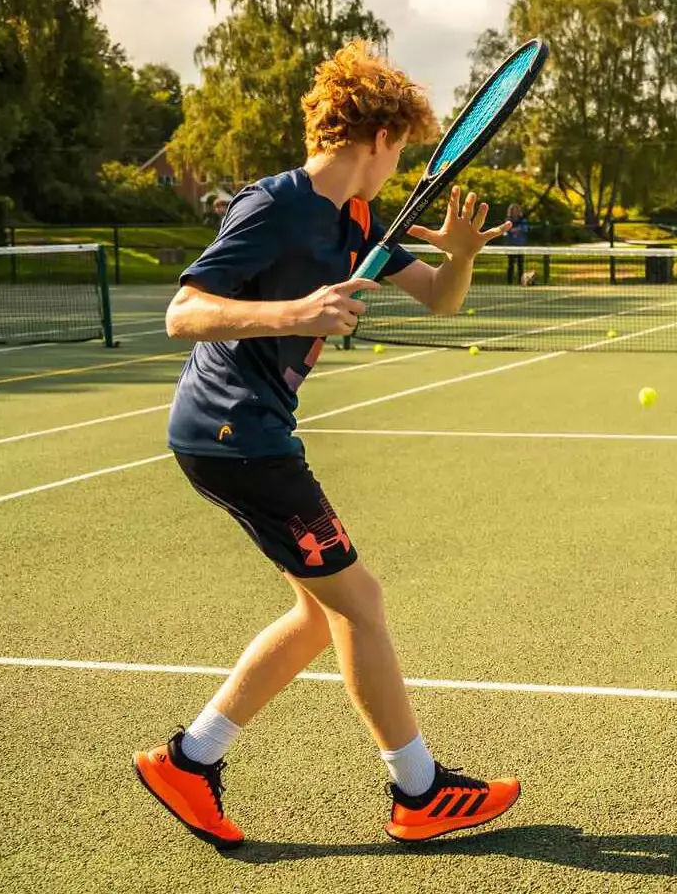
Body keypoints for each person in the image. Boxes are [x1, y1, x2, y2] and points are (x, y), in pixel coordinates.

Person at [133, 41, 518, 850]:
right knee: (361, 603)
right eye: (401, 149)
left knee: (321, 612)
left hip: (249, 433)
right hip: (235, 432)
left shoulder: (364, 219)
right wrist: (295, 312)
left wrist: (464, 259)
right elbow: (183, 313)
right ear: (378, 138)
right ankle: (419, 789)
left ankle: (189, 762)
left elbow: (440, 304)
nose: (398, 164)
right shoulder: (275, 205)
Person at [500, 204, 529, 285]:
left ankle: (521, 282)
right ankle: (509, 282)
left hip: (520, 245)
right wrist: (510, 231)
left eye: (516, 210)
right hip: (511, 245)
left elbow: (525, 229)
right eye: (513, 210)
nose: (515, 212)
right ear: (510, 211)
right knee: (511, 264)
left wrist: (517, 229)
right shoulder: (508, 220)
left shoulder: (523, 220)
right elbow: (505, 230)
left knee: (520, 265)